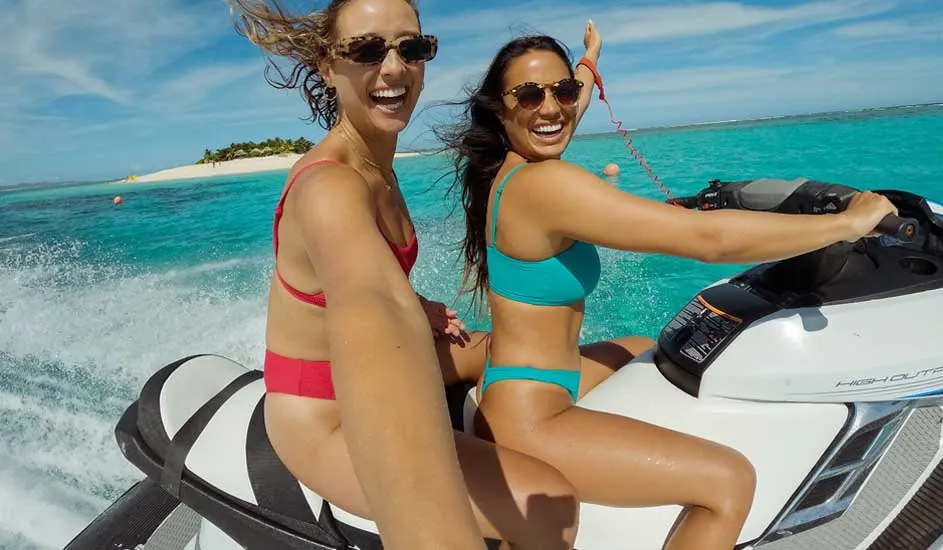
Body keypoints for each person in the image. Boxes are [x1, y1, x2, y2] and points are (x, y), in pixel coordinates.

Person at [438, 25, 900, 550]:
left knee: (642, 346)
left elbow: (566, 106)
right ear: (501, 111)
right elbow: (705, 240)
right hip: (530, 415)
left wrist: (589, 60)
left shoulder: (513, 170)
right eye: (529, 95)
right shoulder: (547, 186)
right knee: (727, 482)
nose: (552, 108)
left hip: (526, 377)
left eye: (562, 91)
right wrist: (846, 225)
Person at [230, 1, 579, 549]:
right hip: (322, 413)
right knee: (547, 505)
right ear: (328, 65)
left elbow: (371, 276)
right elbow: (372, 304)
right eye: (367, 50)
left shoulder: (374, 163)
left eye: (412, 48)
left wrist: (418, 305)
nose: (394, 68)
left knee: (508, 349)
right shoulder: (329, 188)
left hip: (360, 360)